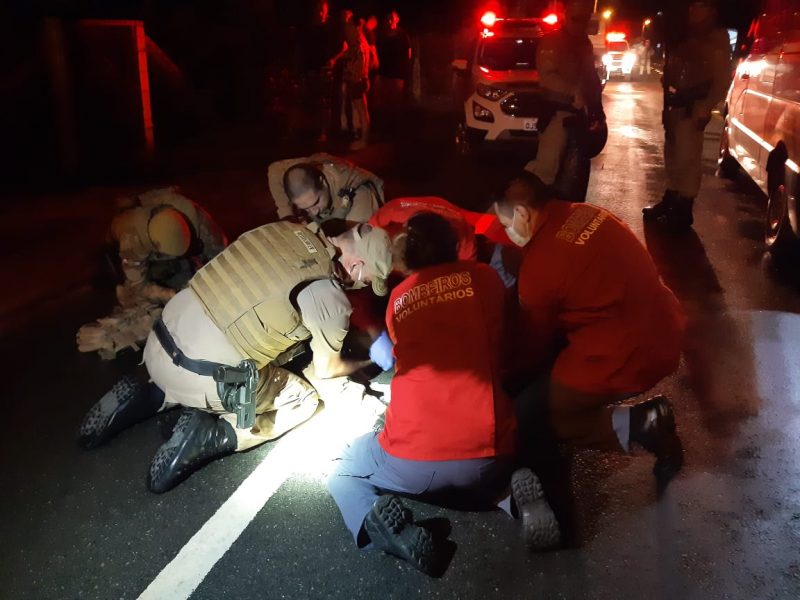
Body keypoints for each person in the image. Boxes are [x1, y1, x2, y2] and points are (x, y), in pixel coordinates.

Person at [79, 221, 393, 493]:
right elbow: (327, 369)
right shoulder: (330, 297)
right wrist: (366, 361)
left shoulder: (287, 229)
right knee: (304, 402)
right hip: (203, 371)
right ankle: (210, 434)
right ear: (357, 266)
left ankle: (149, 394)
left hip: (161, 337)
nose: (360, 286)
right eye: (366, 280)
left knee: (235, 341)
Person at [327, 213, 560, 576]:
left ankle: (376, 529)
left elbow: (401, 357)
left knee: (342, 469)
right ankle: (511, 499)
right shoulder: (486, 278)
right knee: (477, 469)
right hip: (490, 451)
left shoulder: (398, 298)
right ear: (453, 246)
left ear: (408, 255)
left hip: (412, 456)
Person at [494, 173, 686, 487]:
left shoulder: (541, 268)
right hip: (664, 325)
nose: (507, 232)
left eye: (505, 224)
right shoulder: (586, 212)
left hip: (628, 353)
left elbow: (532, 347)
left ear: (522, 214)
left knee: (539, 414)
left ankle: (644, 425)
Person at [76, 187, 228, 359]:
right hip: (135, 258)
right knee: (138, 303)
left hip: (178, 251)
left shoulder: (198, 220)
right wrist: (167, 294)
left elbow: (222, 257)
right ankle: (112, 332)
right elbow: (137, 287)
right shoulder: (131, 239)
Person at [642, 0, 731, 231]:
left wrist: (706, 105)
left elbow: (721, 77)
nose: (693, 10)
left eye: (699, 6)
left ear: (710, 10)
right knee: (672, 154)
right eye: (692, 6)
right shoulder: (685, 33)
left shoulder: (715, 36)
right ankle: (671, 199)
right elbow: (676, 63)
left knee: (687, 158)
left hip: (694, 105)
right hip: (675, 104)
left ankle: (683, 209)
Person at [523, 0, 606, 203]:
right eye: (576, 19)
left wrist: (597, 109)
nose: (580, 24)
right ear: (565, 15)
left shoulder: (583, 43)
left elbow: (590, 77)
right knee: (546, 170)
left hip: (579, 118)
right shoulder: (552, 42)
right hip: (557, 114)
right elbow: (548, 77)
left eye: (584, 19)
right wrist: (573, 92)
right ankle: (523, 206)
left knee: (575, 175)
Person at [267, 153, 384, 224]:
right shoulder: (304, 168)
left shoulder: (360, 195)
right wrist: (288, 216)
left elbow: (354, 245)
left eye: (316, 202)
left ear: (322, 182)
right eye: (306, 208)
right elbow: (274, 170)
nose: (314, 212)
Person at [375, 10, 412, 108]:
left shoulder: (402, 34)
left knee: (395, 102)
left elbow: (408, 50)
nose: (390, 20)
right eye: (389, 18)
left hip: (397, 73)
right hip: (384, 72)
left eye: (393, 17)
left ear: (397, 19)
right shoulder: (383, 34)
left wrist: (405, 66)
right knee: (384, 102)